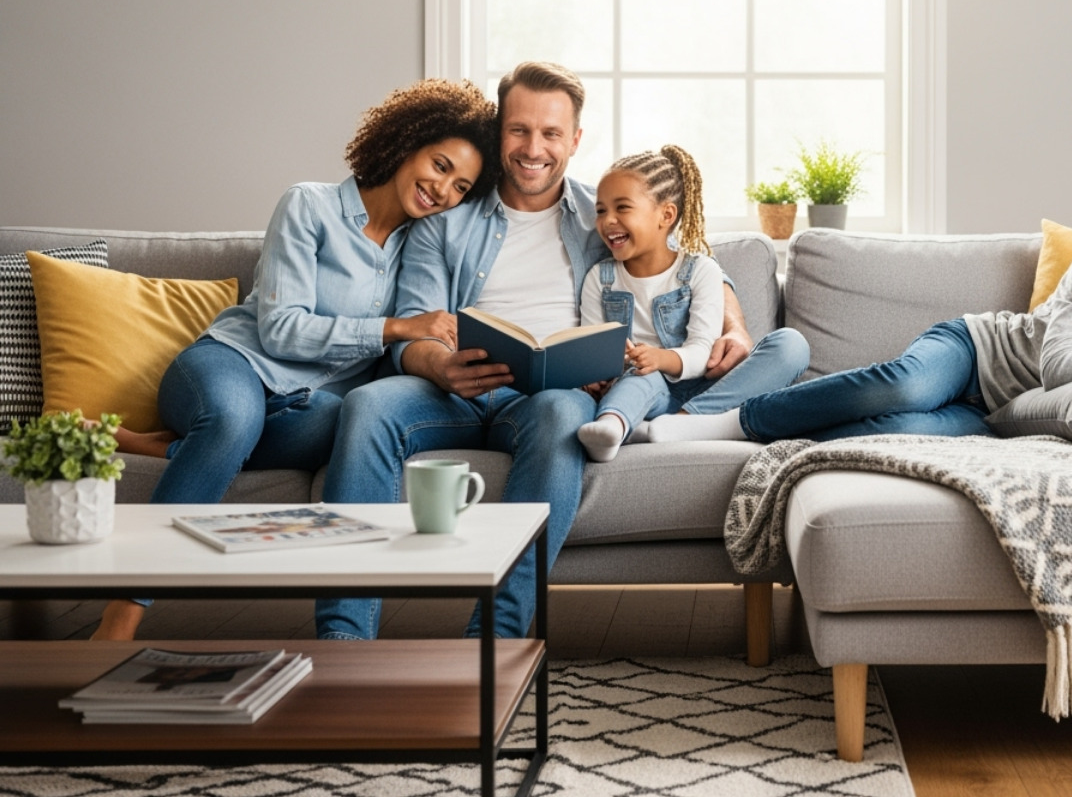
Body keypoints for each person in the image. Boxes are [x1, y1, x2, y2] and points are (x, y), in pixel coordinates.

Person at [314, 60, 755, 642]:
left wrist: (736, 322)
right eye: (519, 130)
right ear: (500, 133)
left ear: (575, 140)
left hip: (545, 395)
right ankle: (344, 642)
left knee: (562, 414)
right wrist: (439, 366)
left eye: (551, 134)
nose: (533, 148)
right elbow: (416, 329)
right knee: (367, 406)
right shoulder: (447, 217)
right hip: (452, 389)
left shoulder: (598, 213)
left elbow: (680, 259)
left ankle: (491, 643)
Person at [93, 79, 501, 641]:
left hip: (306, 407)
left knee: (362, 423)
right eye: (439, 165)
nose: (443, 190)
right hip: (233, 364)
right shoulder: (309, 204)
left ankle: (161, 445)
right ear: (407, 142)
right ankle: (121, 616)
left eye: (461, 186)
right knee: (233, 418)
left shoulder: (421, 250)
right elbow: (282, 331)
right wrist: (396, 326)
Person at [647, 181, 1072, 444]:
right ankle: (731, 424)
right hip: (974, 351)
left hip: (996, 415)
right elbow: (1059, 364)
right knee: (907, 386)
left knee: (898, 435)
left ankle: (777, 442)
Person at [575, 145, 809, 462]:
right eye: (601, 210)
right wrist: (597, 369)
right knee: (638, 381)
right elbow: (592, 348)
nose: (608, 220)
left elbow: (702, 351)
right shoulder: (598, 279)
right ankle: (612, 427)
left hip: (705, 386)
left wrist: (661, 357)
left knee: (791, 345)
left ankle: (682, 423)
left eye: (623, 208)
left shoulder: (700, 271)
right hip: (643, 386)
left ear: (666, 215)